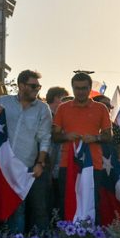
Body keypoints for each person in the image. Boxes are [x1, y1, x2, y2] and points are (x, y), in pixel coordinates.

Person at [0, 70, 51, 232]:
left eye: (38, 86)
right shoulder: (2, 101)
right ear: (21, 85)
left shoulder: (42, 109)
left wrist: (40, 163)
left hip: (22, 165)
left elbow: (45, 138)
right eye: (33, 86)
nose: (37, 89)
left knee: (17, 207)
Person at [51, 72, 112, 222]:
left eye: (84, 88)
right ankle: (66, 233)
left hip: (93, 164)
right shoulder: (63, 108)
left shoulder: (101, 108)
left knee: (93, 202)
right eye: (77, 88)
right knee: (67, 202)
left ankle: (92, 235)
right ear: (72, 88)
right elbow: (54, 136)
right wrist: (66, 136)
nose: (80, 92)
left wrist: (95, 138)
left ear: (90, 88)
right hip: (68, 164)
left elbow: (108, 136)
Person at [45, 86, 69, 224]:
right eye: (64, 99)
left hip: (57, 166)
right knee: (47, 200)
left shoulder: (61, 115)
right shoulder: (45, 113)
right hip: (46, 163)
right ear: (56, 98)